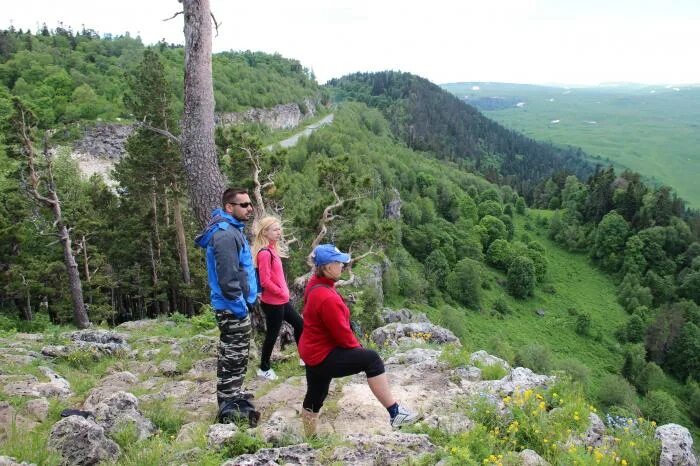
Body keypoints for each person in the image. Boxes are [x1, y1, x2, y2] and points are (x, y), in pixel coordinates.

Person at [298, 244, 421, 435]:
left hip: (312, 351)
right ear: (328, 267)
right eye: (340, 263)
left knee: (315, 396)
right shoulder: (326, 297)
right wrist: (358, 350)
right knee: (371, 359)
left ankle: (310, 439)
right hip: (323, 354)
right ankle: (396, 413)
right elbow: (343, 335)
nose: (344, 266)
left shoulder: (315, 283)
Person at [195, 187, 260, 426]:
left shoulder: (233, 230)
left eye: (250, 204)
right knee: (233, 356)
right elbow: (227, 278)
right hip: (231, 307)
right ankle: (228, 405)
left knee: (236, 355)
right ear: (229, 207)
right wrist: (240, 307)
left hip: (236, 305)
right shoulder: (224, 235)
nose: (249, 208)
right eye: (244, 205)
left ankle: (233, 394)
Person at [252, 216, 303, 381]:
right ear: (265, 232)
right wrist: (282, 292)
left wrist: (283, 293)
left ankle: (304, 357)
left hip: (280, 300)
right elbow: (265, 281)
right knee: (272, 334)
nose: (279, 232)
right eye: (275, 229)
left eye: (279, 229)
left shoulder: (273, 250)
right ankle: (264, 368)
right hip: (273, 302)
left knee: (300, 324)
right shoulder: (265, 253)